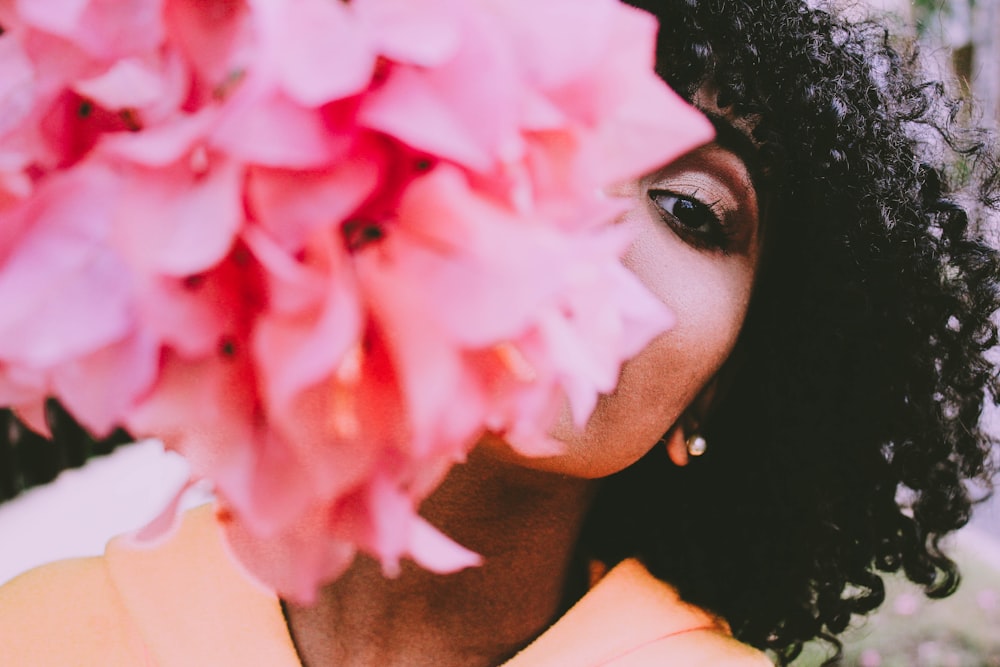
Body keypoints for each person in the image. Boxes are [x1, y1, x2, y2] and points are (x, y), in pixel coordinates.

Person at [1, 0, 998, 665]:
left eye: (692, 211)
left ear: (721, 386)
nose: (589, 227)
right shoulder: (38, 630)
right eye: (527, 142)